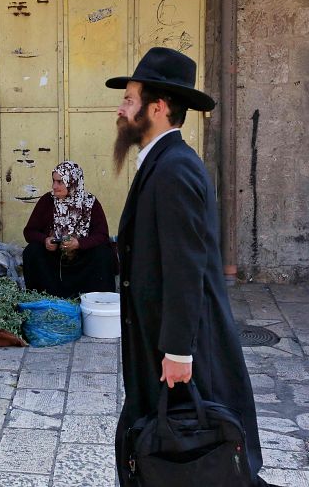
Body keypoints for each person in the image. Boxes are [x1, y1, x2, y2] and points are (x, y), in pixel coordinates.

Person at [107, 47, 270, 486]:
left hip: (179, 347)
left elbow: (186, 267)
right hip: (161, 338)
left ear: (157, 108)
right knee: (166, 443)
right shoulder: (163, 162)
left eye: (129, 99)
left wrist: (178, 352)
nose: (121, 109)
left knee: (195, 449)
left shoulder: (174, 169)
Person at [22, 161, 116, 299]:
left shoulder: (90, 202)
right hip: (54, 260)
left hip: (82, 259)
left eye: (60, 182)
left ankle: (97, 300)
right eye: (54, 181)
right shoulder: (47, 201)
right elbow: (29, 232)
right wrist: (45, 240)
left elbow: (102, 235)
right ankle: (40, 299)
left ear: (73, 182)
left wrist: (79, 244)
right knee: (32, 251)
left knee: (103, 253)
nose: (54, 186)